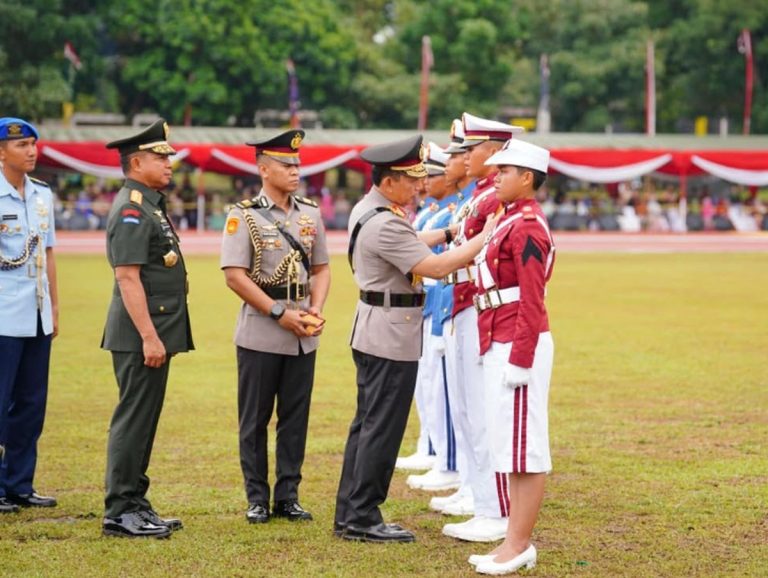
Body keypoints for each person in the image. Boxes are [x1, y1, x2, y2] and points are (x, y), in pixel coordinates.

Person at [334, 135, 496, 543]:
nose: (419, 186)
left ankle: (350, 510)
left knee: (367, 424)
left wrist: (449, 231)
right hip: (390, 332)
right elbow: (436, 268)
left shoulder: (370, 210)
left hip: (377, 327)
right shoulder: (387, 220)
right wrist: (483, 238)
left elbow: (409, 243)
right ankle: (363, 517)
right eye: (410, 179)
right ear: (389, 183)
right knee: (381, 428)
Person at [221, 130, 330, 525]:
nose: (296, 170)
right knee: (254, 419)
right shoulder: (244, 215)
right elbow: (234, 276)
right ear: (264, 169)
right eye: (287, 164)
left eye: (298, 163)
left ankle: (288, 495)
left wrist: (315, 309)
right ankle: (256, 497)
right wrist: (278, 313)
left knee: (295, 418)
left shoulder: (310, 213)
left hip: (304, 333)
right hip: (262, 331)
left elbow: (321, 268)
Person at [101, 119, 194, 539]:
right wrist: (149, 336)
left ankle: (136, 501)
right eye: (160, 156)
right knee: (133, 420)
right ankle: (120, 510)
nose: (169, 162)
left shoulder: (149, 203)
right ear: (136, 162)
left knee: (145, 420)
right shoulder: (133, 209)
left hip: (153, 332)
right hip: (141, 335)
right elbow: (127, 277)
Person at [469, 139, 555, 575]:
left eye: (504, 171)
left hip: (518, 340)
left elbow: (532, 297)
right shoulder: (509, 220)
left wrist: (521, 357)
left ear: (527, 178)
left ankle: (519, 544)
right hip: (498, 336)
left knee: (526, 447)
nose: (495, 175)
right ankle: (511, 540)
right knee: (511, 446)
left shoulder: (528, 226)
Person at [442, 112, 524, 543]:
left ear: (492, 152)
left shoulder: (493, 198)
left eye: (470, 149)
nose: (464, 157)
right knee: (469, 410)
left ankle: (493, 508)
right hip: (462, 302)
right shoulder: (480, 196)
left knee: (483, 411)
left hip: (479, 306)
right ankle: (481, 499)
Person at [0, 117, 58, 513]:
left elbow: (48, 253)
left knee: (31, 403)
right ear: (1, 151)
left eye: (34, 144)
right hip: (3, 316)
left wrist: (54, 308)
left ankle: (19, 483)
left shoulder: (41, 195)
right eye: (21, 146)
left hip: (36, 314)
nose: (31, 151)